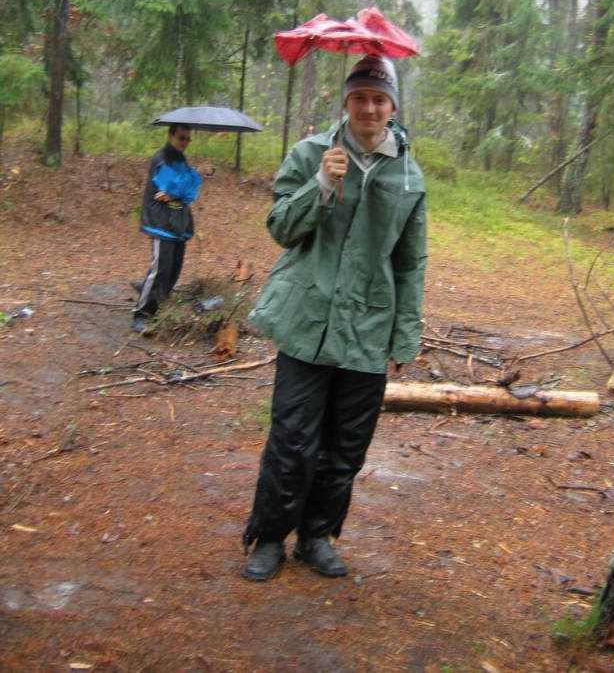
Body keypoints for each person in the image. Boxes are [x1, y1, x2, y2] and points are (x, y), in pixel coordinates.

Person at [242, 55, 427, 582]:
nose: (369, 108)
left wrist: (405, 336)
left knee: (346, 447)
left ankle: (316, 536)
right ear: (346, 102)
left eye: (379, 99)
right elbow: (281, 227)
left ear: (393, 108)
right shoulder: (310, 154)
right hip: (308, 319)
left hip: (369, 327)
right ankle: (269, 539)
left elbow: (410, 262)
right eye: (359, 97)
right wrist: (321, 182)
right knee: (292, 440)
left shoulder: (409, 175)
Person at [132, 123, 202, 334]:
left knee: (174, 270)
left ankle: (160, 308)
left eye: (188, 139)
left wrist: (178, 192)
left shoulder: (181, 160)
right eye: (181, 138)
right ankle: (142, 314)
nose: (185, 142)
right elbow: (170, 186)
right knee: (161, 269)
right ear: (171, 135)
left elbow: (191, 190)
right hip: (161, 222)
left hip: (178, 222)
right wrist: (178, 189)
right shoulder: (161, 159)